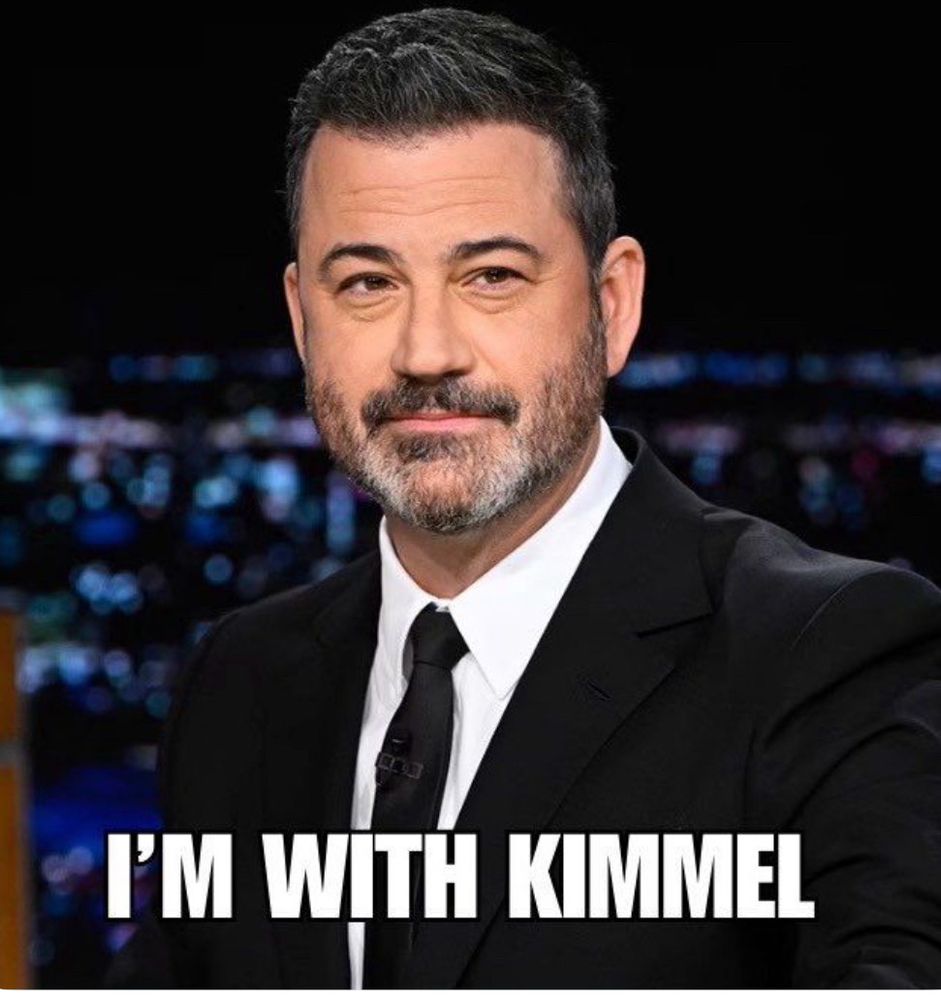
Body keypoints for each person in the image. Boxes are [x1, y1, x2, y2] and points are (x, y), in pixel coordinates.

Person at [105, 8, 941, 989]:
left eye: (491, 276)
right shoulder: (238, 682)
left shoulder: (826, 655)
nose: (426, 352)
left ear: (610, 305)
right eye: (368, 283)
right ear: (301, 319)